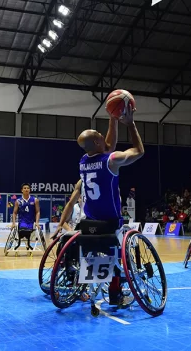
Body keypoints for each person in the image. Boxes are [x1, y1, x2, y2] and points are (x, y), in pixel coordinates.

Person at [57, 107, 144, 305]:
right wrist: (130, 124)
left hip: (88, 224)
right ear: (97, 142)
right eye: (99, 134)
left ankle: (78, 281)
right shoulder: (111, 161)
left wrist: (113, 119)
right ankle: (115, 293)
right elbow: (139, 151)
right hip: (110, 223)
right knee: (117, 253)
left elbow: (107, 146)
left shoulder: (83, 161)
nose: (102, 134)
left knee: (88, 247)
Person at [11, 184, 40, 250]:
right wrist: (13, 223)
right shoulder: (18, 201)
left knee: (29, 232)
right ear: (22, 190)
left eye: (28, 188)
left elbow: (38, 212)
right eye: (24, 188)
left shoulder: (35, 200)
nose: (26, 189)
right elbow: (14, 213)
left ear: (30, 190)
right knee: (23, 231)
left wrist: (37, 222)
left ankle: (28, 244)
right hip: (22, 222)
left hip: (31, 222)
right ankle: (24, 244)